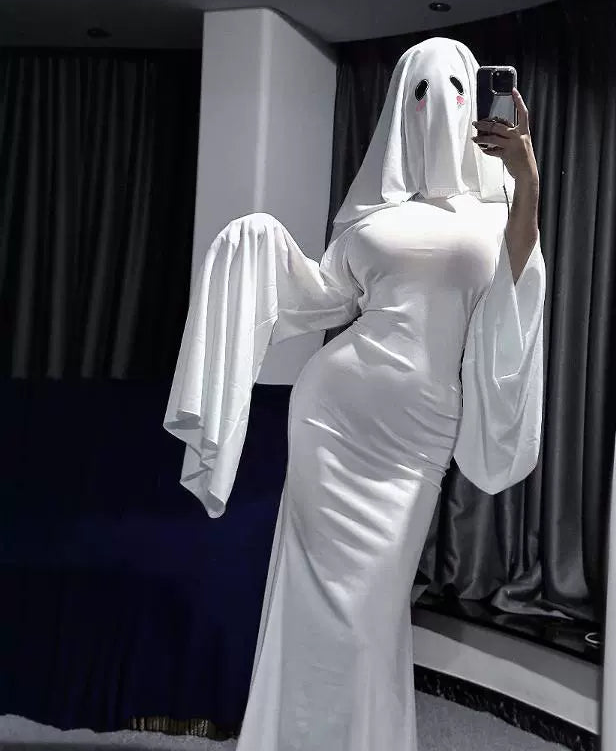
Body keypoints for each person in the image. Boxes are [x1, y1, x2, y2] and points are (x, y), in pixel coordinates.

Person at [164, 37, 546, 751]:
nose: (438, 107)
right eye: (421, 92)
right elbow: (324, 297)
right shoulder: (372, 216)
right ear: (400, 105)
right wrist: (262, 244)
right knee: (316, 602)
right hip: (333, 416)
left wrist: (526, 177)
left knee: (372, 611)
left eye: (455, 90)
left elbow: (519, 282)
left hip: (419, 433)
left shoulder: (497, 208)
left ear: (476, 102)